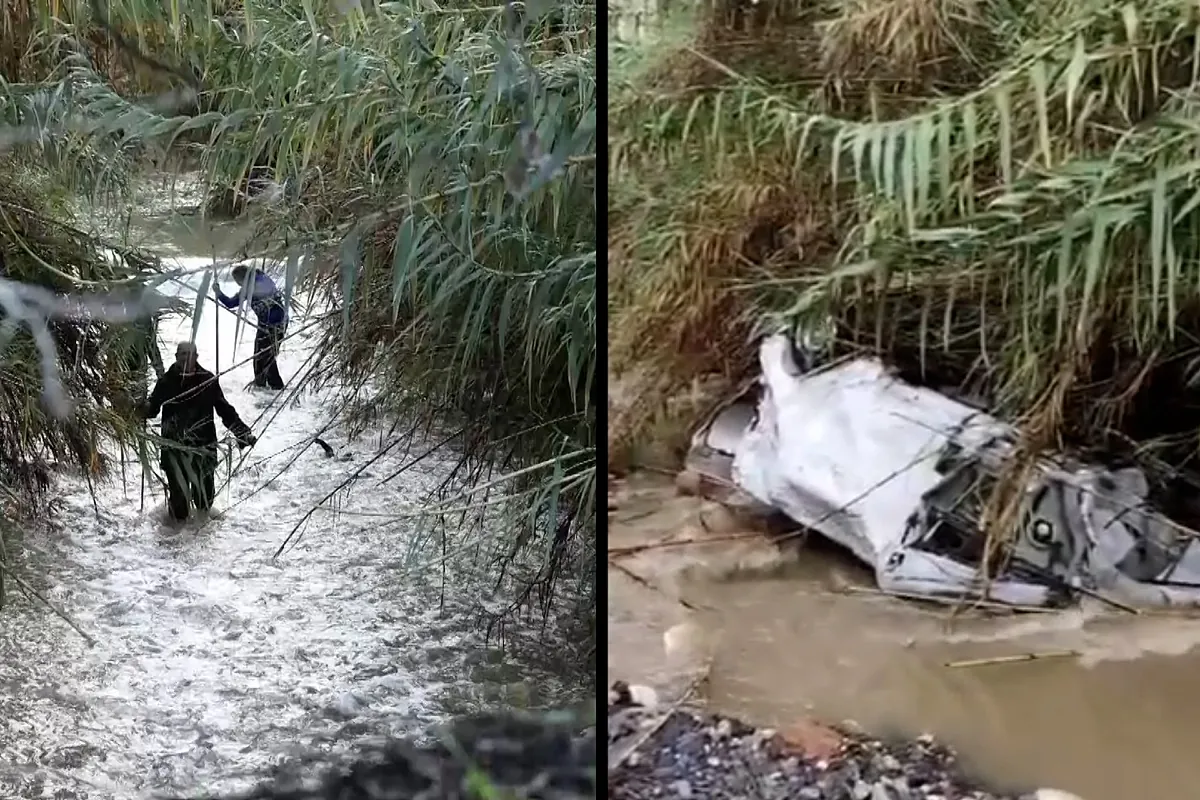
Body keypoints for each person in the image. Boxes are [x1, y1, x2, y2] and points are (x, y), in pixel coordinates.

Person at [141, 341, 257, 522]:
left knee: (204, 501)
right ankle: (174, 541)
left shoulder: (207, 380)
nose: (186, 358)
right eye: (182, 354)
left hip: (203, 448)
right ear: (176, 357)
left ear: (196, 357)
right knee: (180, 508)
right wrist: (138, 407)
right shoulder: (166, 381)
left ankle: (203, 541)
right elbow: (152, 409)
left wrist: (243, 433)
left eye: (190, 354)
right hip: (174, 450)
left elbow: (225, 410)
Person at [214, 263, 287, 390]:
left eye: (238, 282)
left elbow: (265, 292)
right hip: (263, 324)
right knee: (259, 356)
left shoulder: (261, 281)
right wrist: (218, 293)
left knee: (267, 356)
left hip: (277, 324)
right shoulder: (248, 287)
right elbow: (231, 303)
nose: (239, 285)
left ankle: (276, 386)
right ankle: (261, 385)